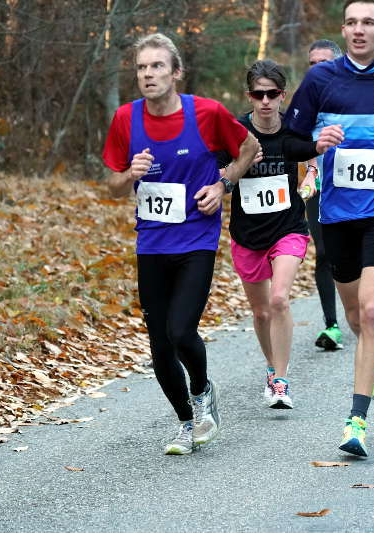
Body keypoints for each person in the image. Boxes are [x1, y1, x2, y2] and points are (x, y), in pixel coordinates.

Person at [102, 33, 259, 455]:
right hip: (151, 243)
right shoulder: (125, 120)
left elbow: (249, 146)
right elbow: (113, 186)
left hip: (195, 239)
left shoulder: (206, 113)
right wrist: (129, 174)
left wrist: (223, 184)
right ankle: (186, 423)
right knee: (158, 349)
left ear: (176, 73)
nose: (148, 75)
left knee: (181, 329)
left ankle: (203, 390)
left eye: (157, 67)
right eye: (141, 67)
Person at [284, 0, 374, 457]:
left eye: (368, 23)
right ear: (343, 30)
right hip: (338, 213)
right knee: (352, 314)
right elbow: (289, 139)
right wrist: (314, 144)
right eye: (351, 23)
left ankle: (357, 421)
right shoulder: (320, 80)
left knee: (371, 312)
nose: (359, 30)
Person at [225, 59, 343, 409]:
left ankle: (280, 379)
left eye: (272, 94)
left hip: (288, 228)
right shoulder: (236, 131)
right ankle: (271, 367)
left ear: (282, 95)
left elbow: (306, 150)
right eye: (258, 94)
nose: (265, 101)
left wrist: (319, 150)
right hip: (247, 234)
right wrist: (243, 162)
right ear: (249, 96)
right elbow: (221, 176)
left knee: (279, 299)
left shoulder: (293, 126)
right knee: (261, 313)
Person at [305, 39, 345, 351]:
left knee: (353, 255)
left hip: (354, 188)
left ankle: (362, 314)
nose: (316, 69)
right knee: (324, 253)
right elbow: (294, 141)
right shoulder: (304, 102)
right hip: (318, 188)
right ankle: (332, 325)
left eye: (323, 63)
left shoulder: (353, 98)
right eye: (311, 64)